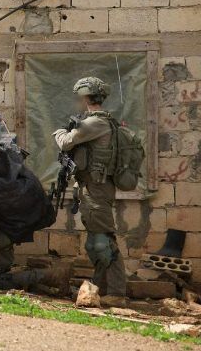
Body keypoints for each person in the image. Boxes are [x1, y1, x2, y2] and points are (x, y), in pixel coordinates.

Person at [52, 77, 128, 307]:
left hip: (98, 188)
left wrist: (58, 132)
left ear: (86, 97)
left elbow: (66, 142)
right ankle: (100, 289)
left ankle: (117, 292)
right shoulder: (95, 121)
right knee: (95, 243)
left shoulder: (96, 122)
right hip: (90, 187)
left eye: (79, 97)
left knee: (104, 241)